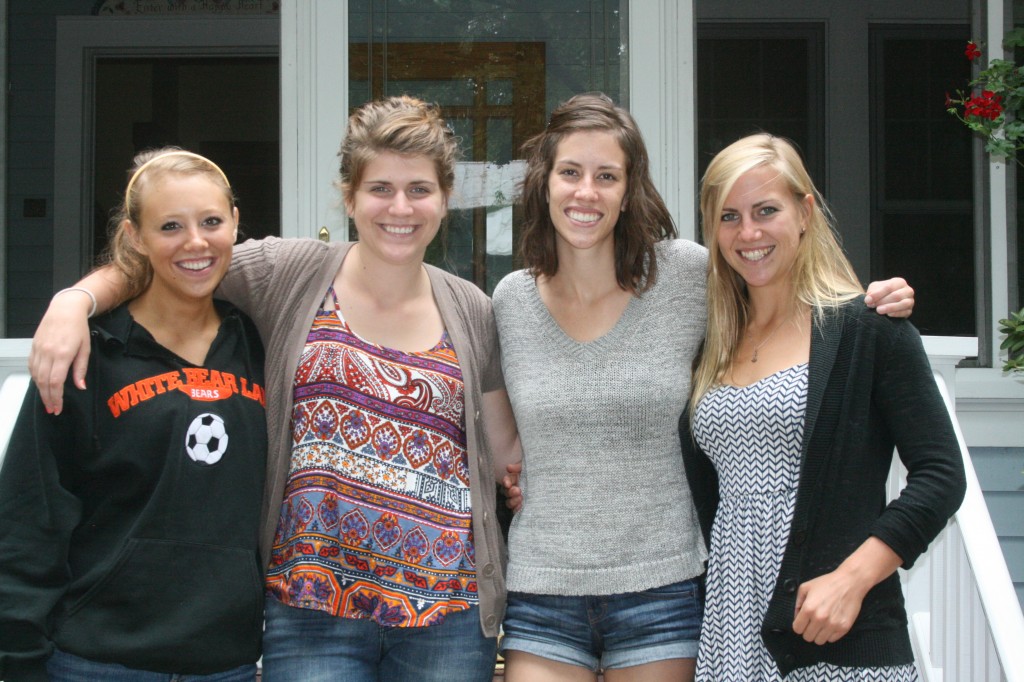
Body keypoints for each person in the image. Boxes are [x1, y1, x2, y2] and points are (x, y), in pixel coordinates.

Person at [25, 96, 520, 682]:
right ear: (349, 197)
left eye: (419, 189)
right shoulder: (288, 273)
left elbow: (505, 455)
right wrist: (73, 301)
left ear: (445, 199)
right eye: (380, 188)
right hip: (312, 611)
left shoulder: (471, 309)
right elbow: (175, 255)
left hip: (447, 613)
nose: (400, 207)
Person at [493, 92, 917, 682]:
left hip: (663, 591)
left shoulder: (687, 276)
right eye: (570, 172)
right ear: (544, 183)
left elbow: (781, 291)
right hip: (544, 588)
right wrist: (507, 477)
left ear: (628, 188)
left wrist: (874, 300)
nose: (586, 192)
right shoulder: (510, 301)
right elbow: (499, 434)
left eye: (606, 175)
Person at [680, 133, 966, 681]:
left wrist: (852, 580)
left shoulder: (864, 328)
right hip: (730, 624)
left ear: (805, 212)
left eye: (767, 211)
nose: (749, 233)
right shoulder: (712, 343)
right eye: (729, 217)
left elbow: (942, 475)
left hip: (834, 625)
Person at [0, 148, 268, 681]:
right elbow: (31, 516)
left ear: (236, 223)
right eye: (170, 226)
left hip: (225, 663)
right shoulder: (88, 355)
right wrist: (17, 659)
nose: (195, 242)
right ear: (136, 237)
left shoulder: (260, 342)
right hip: (96, 661)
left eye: (211, 221)